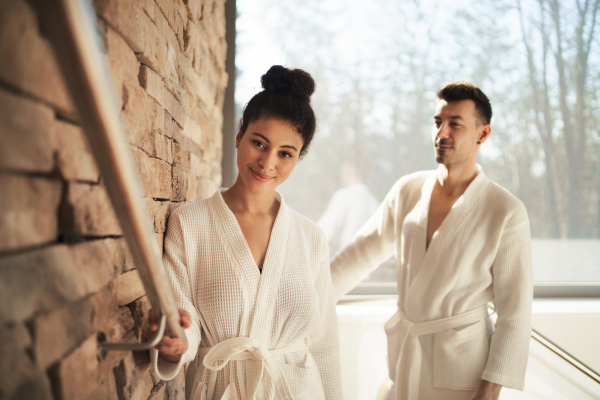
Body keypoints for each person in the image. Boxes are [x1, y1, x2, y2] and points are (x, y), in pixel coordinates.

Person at [148, 66, 343, 400]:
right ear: (239, 136)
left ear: (298, 158)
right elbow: (184, 323)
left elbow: (324, 344)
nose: (268, 163)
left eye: (285, 153)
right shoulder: (189, 223)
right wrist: (173, 344)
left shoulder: (311, 237)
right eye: (259, 143)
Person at [330, 82, 533, 400]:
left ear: (483, 134)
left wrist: (490, 391)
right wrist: (305, 301)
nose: (442, 133)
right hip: (406, 359)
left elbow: (515, 312)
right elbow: (358, 255)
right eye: (438, 122)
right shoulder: (407, 189)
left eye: (455, 124)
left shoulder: (505, 211)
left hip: (463, 371)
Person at [318, 161, 380, 255]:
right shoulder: (374, 202)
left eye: (342, 172)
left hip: (345, 261)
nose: (341, 176)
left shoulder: (344, 196)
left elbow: (323, 232)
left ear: (350, 171)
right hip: (367, 264)